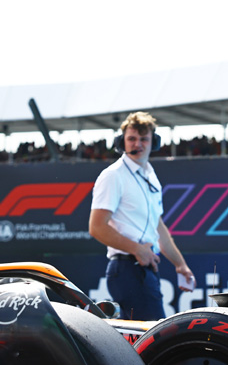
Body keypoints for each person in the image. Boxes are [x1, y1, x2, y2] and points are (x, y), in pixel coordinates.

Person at [89, 111, 195, 320]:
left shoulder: (150, 175)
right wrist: (137, 249)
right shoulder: (113, 175)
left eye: (144, 139)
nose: (137, 144)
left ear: (153, 142)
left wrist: (180, 265)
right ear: (121, 142)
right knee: (154, 335)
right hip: (126, 268)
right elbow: (97, 227)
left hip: (144, 269)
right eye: (131, 139)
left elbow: (158, 227)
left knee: (144, 335)